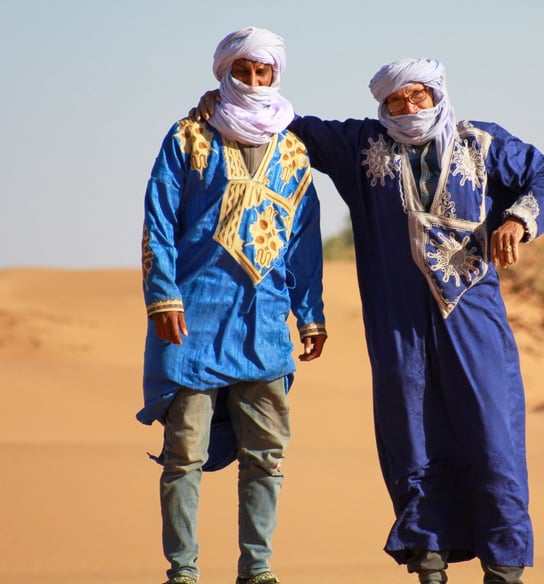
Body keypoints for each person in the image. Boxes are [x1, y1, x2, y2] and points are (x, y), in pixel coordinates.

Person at [194, 56, 544, 584]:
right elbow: (283, 123)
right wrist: (222, 106)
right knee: (410, 434)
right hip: (396, 320)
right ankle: (428, 564)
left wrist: (518, 219)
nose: (408, 107)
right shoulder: (362, 145)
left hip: (473, 317)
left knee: (491, 431)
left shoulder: (481, 142)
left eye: (418, 96)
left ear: (437, 95)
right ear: (382, 106)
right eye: (395, 100)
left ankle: (503, 568)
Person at [139, 27, 327, 584]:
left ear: (276, 74)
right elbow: (158, 221)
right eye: (241, 70)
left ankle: (258, 569)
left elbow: (303, 239)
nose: (252, 80)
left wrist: (310, 312)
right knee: (183, 457)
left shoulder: (293, 149)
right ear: (223, 72)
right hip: (191, 319)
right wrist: (162, 296)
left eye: (261, 71)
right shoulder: (189, 137)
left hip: (264, 323)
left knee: (266, 457)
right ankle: (183, 571)